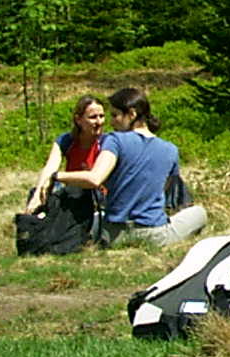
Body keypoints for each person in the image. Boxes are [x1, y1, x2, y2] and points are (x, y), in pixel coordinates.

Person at [52, 86, 208, 248]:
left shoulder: (114, 140)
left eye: (115, 115)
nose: (111, 122)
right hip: (154, 234)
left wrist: (56, 176)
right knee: (199, 212)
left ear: (132, 114)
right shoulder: (171, 150)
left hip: (113, 235)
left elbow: (95, 178)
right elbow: (163, 190)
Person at [25, 94, 109, 214]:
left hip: (99, 197)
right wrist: (38, 195)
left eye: (101, 116)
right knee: (37, 193)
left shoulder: (108, 143)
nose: (99, 122)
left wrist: (56, 177)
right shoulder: (66, 141)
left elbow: (96, 179)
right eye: (93, 117)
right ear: (78, 120)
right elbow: (50, 167)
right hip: (73, 193)